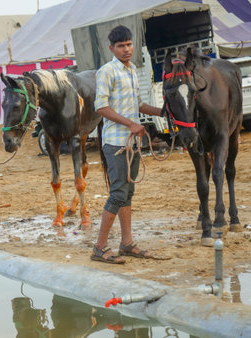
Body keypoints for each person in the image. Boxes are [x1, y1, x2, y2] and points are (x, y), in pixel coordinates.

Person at [91, 25, 162, 264]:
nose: (126, 49)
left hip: (132, 143)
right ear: (112, 48)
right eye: (121, 46)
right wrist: (131, 125)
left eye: (129, 44)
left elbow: (139, 104)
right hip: (116, 142)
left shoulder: (132, 71)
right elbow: (100, 106)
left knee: (128, 193)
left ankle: (127, 243)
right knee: (118, 192)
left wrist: (164, 113)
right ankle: (99, 248)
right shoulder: (106, 72)